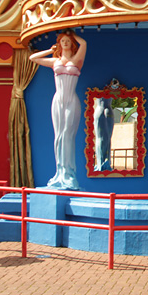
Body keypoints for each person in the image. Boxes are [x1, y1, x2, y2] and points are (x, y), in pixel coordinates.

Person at [30, 30, 87, 190]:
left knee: (68, 135)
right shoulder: (55, 61)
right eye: (63, 41)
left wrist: (72, 34)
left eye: (68, 40)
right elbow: (33, 58)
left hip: (71, 100)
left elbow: (84, 43)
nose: (65, 43)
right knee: (59, 136)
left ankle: (69, 173)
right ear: (59, 43)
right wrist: (50, 50)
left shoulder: (77, 60)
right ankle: (59, 174)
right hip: (58, 100)